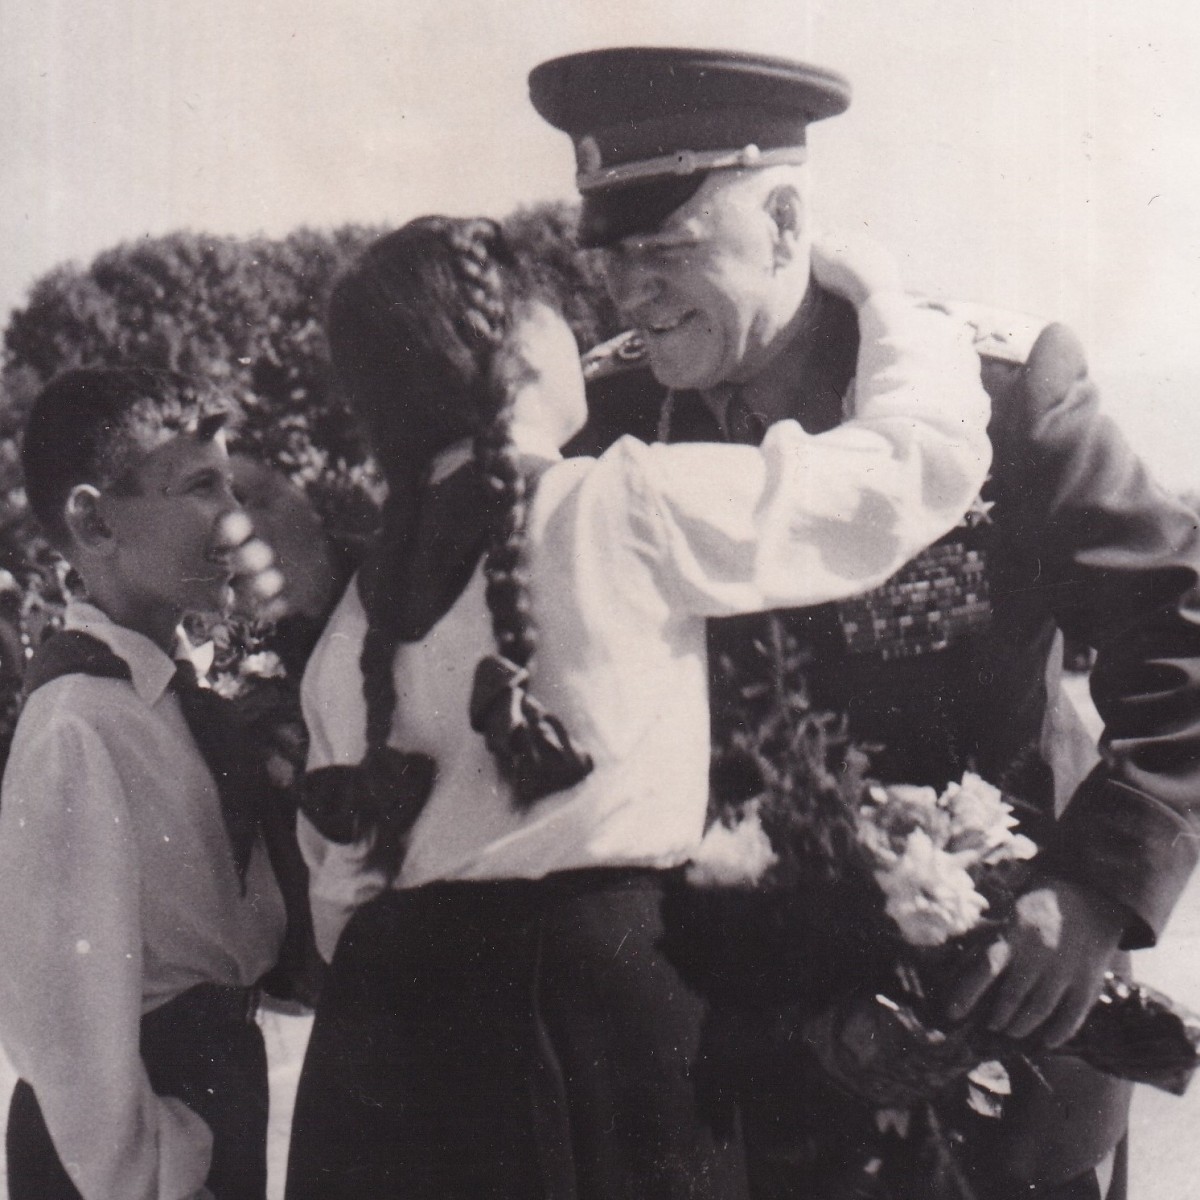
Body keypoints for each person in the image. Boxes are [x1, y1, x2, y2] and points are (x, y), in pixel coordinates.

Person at [528, 45, 1200, 1200]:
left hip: (993, 1036)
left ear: (785, 219)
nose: (632, 293)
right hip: (728, 1064)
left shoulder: (997, 391)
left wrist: (1095, 889)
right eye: (614, 259)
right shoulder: (603, 424)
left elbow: (1181, 629)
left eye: (668, 250)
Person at [284, 214, 990, 1200]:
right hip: (594, 1018)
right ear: (519, 345)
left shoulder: (356, 617)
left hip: (390, 1039)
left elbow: (337, 897)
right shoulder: (616, 505)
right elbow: (899, 482)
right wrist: (886, 305)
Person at [0, 367, 290, 1200]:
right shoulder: (77, 725)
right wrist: (153, 1173)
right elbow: (66, 1021)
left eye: (231, 483)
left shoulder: (174, 701)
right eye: (201, 486)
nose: (233, 516)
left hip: (210, 1087)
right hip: (132, 1147)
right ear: (94, 522)